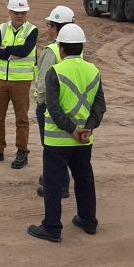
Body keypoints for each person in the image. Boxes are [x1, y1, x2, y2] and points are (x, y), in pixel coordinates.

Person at [27, 24, 106, 243]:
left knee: (53, 183)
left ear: (61, 48)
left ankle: (52, 228)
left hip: (58, 141)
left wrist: (72, 130)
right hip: (84, 140)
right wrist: (87, 128)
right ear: (81, 47)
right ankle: (88, 221)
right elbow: (99, 106)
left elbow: (53, 108)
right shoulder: (94, 71)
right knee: (84, 180)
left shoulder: (56, 72)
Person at [0, 0, 38, 169]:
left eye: (22, 12)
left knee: (22, 119)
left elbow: (25, 50)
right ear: (10, 12)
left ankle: (22, 152)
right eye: (16, 12)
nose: (19, 16)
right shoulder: (1, 28)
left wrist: (5, 50)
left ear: (26, 12)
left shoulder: (32, 30)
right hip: (0, 80)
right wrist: (13, 53)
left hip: (21, 81)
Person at [34, 6, 75, 199]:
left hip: (49, 106)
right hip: (68, 104)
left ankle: (59, 186)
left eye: (49, 25)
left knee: (52, 147)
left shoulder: (52, 50)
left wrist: (40, 103)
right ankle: (53, 177)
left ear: (56, 27)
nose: (47, 29)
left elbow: (43, 82)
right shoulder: (76, 48)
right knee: (62, 145)